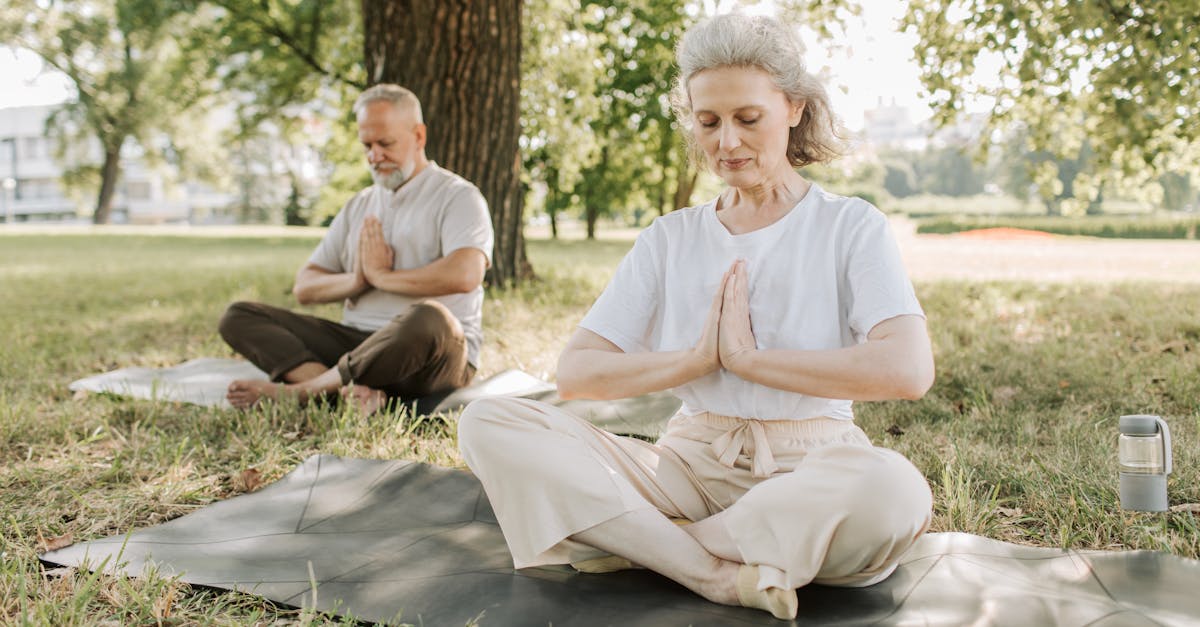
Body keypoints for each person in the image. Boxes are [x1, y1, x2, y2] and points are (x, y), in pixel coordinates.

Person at [457, 14, 934, 620]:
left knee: (893, 492)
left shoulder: (850, 225)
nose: (727, 143)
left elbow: (908, 370)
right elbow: (578, 372)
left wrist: (749, 361)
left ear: (793, 108)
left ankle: (644, 544)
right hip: (686, 466)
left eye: (748, 119)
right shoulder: (670, 237)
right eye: (708, 122)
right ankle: (709, 570)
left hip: (813, 465)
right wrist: (696, 360)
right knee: (489, 421)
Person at [219, 84, 493, 413]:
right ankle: (347, 394)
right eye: (367, 145)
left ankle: (305, 392)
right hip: (357, 343)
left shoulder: (458, 196)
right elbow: (305, 287)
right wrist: (357, 280)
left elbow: (465, 274)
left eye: (385, 143)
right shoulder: (358, 205)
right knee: (239, 316)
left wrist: (381, 276)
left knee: (429, 317)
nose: (374, 156)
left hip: (429, 355)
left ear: (419, 136)